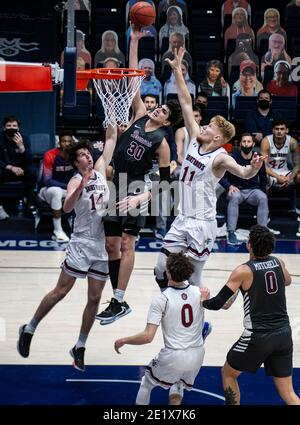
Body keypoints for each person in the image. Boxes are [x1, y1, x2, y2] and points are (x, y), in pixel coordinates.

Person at [154, 46, 265, 292]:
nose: (202, 126)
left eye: (209, 127)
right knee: (160, 268)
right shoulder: (195, 137)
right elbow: (185, 101)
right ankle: (173, 304)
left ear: (217, 138)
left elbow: (243, 172)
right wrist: (177, 72)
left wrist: (253, 169)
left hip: (202, 224)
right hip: (182, 218)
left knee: (193, 282)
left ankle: (199, 323)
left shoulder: (219, 157)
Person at [95, 25, 182, 325]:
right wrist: (133, 40)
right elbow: (133, 79)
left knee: (127, 244)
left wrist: (143, 197)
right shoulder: (140, 115)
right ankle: (119, 301)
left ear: (168, 123)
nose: (157, 109)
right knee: (110, 245)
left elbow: (167, 184)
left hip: (136, 190)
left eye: (163, 112)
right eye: (157, 107)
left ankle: (118, 298)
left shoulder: (164, 145)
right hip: (116, 183)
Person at [17, 125, 117, 372]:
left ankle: (80, 346)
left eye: (88, 153)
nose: (88, 157)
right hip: (82, 243)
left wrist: (113, 114)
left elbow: (112, 138)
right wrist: (81, 185)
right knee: (61, 291)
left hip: (102, 245)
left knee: (94, 297)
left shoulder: (102, 170)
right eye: (82, 155)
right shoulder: (74, 180)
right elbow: (68, 208)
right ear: (76, 162)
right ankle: (29, 327)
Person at [201, 225, 300, 405]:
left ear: (249, 245)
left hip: (258, 336)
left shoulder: (243, 271)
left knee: (228, 374)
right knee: (288, 393)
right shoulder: (278, 262)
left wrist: (203, 301)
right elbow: (288, 281)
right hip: (283, 335)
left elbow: (217, 304)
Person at [114, 252, 207, 405]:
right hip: (197, 355)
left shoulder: (162, 299)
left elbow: (147, 337)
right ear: (189, 272)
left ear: (168, 272)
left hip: (174, 355)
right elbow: (223, 305)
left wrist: (124, 340)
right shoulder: (200, 293)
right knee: (178, 383)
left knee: (146, 383)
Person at [219, 133, 269, 245]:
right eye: (244, 141)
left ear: (253, 144)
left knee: (262, 197)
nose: (246, 144)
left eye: (249, 141)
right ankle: (231, 232)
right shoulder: (232, 158)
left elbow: (263, 178)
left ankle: (262, 233)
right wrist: (229, 186)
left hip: (253, 190)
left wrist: (262, 191)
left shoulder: (258, 157)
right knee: (235, 197)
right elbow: (219, 176)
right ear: (240, 144)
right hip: (236, 189)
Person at [38, 133, 75, 243]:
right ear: (59, 143)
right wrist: (69, 187)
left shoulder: (75, 156)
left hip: (68, 190)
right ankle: (57, 231)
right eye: (64, 141)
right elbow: (47, 180)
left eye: (69, 141)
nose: (67, 144)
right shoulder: (50, 155)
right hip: (48, 190)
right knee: (56, 192)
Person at [0, 115, 37, 217]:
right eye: (9, 125)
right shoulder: (0, 139)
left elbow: (29, 160)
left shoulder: (24, 138)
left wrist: (21, 147)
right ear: (4, 128)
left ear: (18, 128)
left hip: (22, 170)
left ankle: (29, 203)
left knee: (33, 170)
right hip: (5, 170)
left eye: (14, 125)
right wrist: (11, 167)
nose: (12, 128)